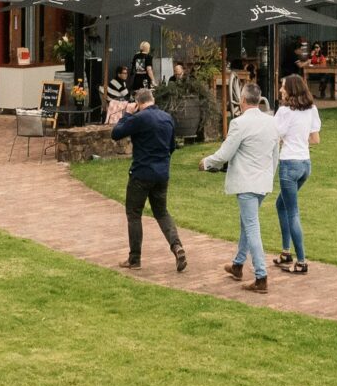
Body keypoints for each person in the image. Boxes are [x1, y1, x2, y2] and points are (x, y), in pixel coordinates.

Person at [200, 81, 280, 292]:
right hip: (262, 182)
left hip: (247, 183)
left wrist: (207, 162)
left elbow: (225, 153)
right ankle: (237, 264)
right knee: (247, 224)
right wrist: (269, 177)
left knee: (252, 227)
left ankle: (261, 276)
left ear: (243, 100)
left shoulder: (239, 123)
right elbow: (275, 156)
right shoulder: (271, 122)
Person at [111, 88, 186, 272]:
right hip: (162, 173)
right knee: (161, 212)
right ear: (152, 99)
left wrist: (127, 114)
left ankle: (134, 258)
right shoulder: (167, 118)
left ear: (138, 103)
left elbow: (116, 133)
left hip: (141, 173)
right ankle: (177, 246)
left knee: (134, 214)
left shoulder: (139, 118)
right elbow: (171, 147)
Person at [272, 73, 321, 273]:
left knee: (292, 212)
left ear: (291, 89)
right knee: (281, 205)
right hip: (305, 165)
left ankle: (301, 261)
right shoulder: (312, 109)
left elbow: (274, 135)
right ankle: (285, 252)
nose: (281, 89)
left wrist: (287, 140)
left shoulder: (284, 111)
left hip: (289, 164)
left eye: (283, 86)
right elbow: (315, 139)